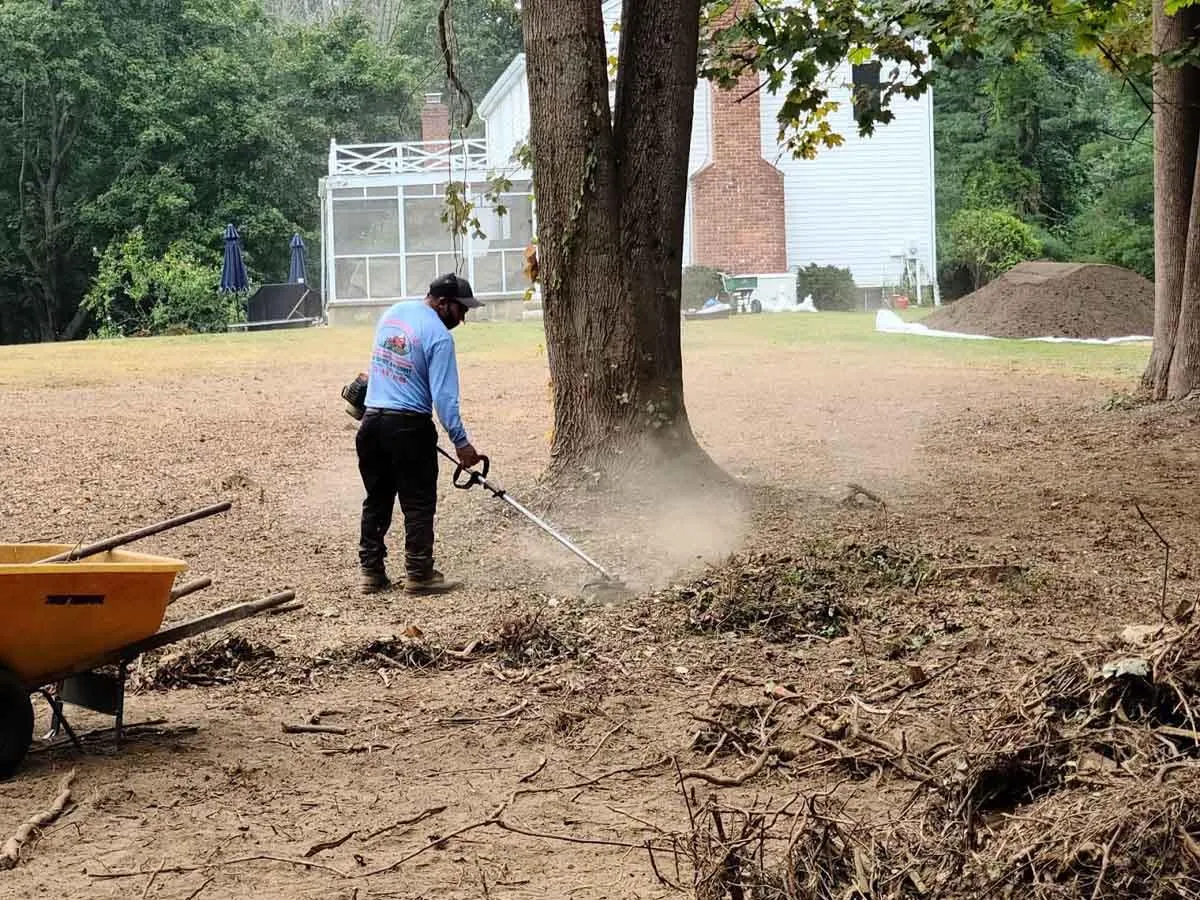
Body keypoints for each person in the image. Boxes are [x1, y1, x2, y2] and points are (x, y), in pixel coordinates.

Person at [355, 273, 484, 595]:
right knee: (418, 502)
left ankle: (371, 572)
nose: (463, 318)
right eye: (460, 310)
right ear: (443, 303)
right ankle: (419, 574)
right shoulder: (439, 336)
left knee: (377, 499)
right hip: (409, 427)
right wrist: (462, 443)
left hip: (371, 422)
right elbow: (444, 398)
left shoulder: (393, 314)